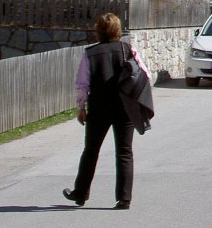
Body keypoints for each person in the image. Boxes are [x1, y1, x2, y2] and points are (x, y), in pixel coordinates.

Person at [63, 12, 150, 210]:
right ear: (117, 30)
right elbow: (145, 74)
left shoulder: (90, 53)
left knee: (91, 151)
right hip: (124, 107)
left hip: (99, 108)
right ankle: (124, 198)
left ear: (98, 30)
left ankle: (81, 193)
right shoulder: (127, 49)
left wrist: (80, 107)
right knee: (125, 152)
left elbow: (82, 84)